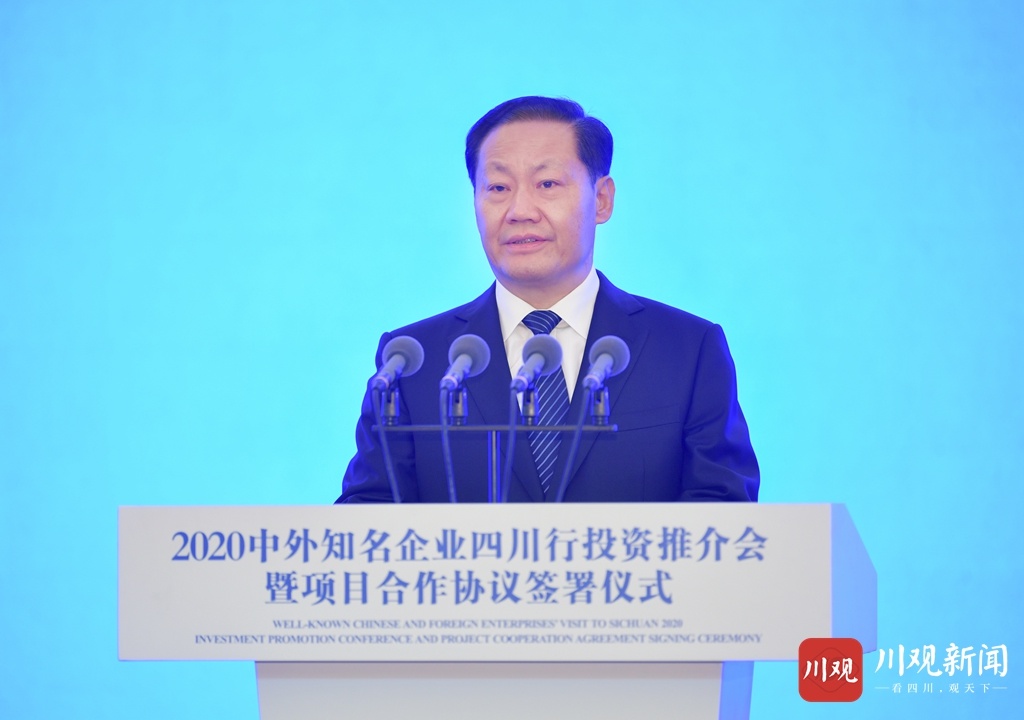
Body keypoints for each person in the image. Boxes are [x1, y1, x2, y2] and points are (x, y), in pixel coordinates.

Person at [336, 96, 758, 504]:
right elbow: (367, 517)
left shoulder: (686, 349)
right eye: (498, 187)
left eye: (547, 184)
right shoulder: (412, 362)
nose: (520, 210)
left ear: (602, 199)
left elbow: (723, 510)